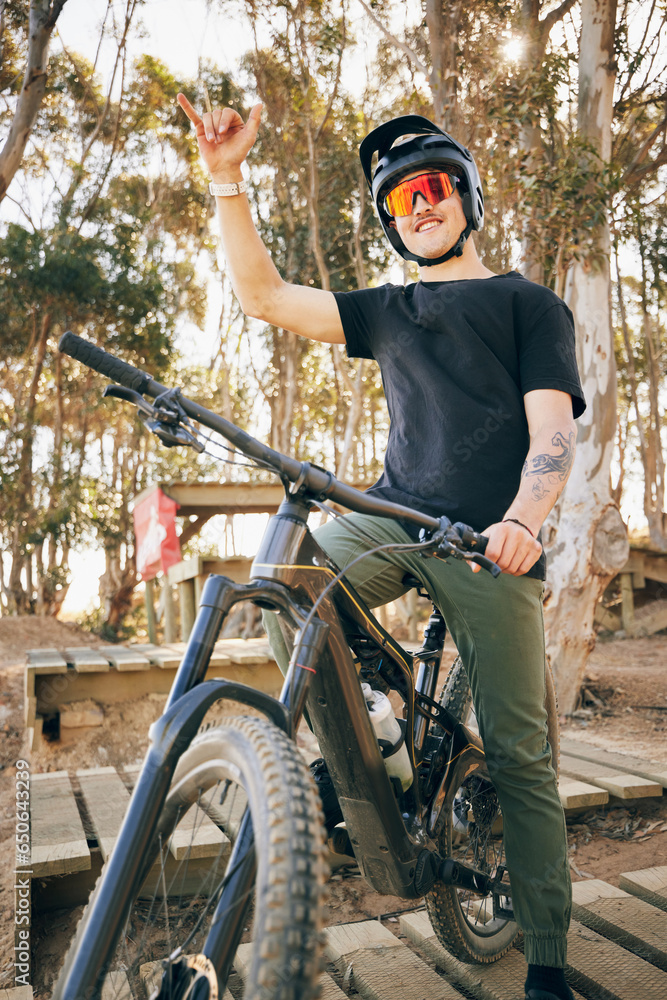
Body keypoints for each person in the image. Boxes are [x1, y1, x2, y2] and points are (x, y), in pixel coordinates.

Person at [178, 93, 585, 1000]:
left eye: (436, 187)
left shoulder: (525, 302)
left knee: (521, 756)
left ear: (467, 198)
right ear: (394, 222)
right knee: (287, 581)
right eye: (402, 200)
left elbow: (551, 431)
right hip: (391, 516)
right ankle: (379, 732)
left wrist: (524, 520)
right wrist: (224, 175)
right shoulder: (388, 310)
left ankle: (549, 956)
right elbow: (264, 296)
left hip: (489, 543)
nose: (422, 205)